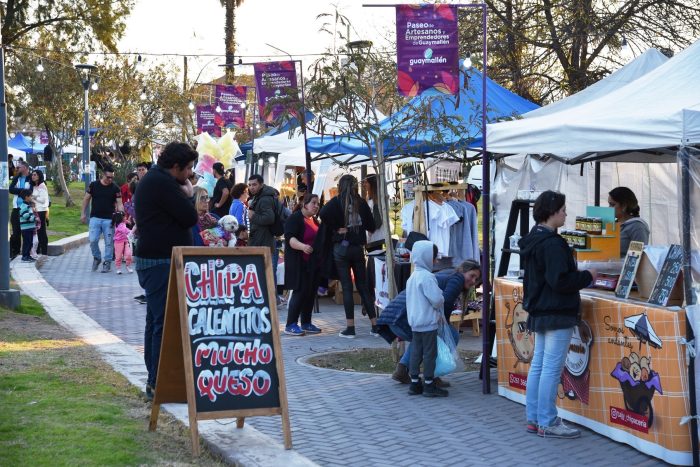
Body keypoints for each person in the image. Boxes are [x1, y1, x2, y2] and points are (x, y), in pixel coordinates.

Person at [519, 190, 596, 439]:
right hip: (556, 311)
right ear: (552, 212)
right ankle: (547, 421)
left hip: (541, 310)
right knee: (549, 368)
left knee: (540, 366)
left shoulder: (535, 238)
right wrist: (587, 276)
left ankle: (535, 418)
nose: (566, 214)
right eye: (563, 210)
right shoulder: (552, 243)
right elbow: (560, 281)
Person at [134, 142, 198, 400]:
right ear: (176, 167)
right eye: (189, 169)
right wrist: (190, 193)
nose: (190, 174)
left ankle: (155, 381)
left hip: (157, 260)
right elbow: (189, 217)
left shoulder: (158, 179)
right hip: (160, 262)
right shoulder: (162, 183)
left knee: (155, 321)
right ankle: (158, 383)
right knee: (162, 323)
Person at [378, 260, 482, 385]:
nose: (473, 281)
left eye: (476, 279)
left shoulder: (447, 274)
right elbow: (446, 302)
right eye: (472, 276)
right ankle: (432, 375)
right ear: (462, 271)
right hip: (403, 318)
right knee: (450, 335)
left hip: (394, 316)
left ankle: (402, 370)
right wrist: (445, 329)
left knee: (423, 337)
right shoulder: (457, 278)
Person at [319, 174, 378, 338]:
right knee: (363, 286)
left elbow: (322, 213)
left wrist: (337, 227)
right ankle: (375, 325)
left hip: (341, 248)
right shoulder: (361, 202)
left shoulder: (336, 202)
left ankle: (350, 328)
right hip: (357, 248)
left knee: (346, 287)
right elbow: (371, 225)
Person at [405, 240, 447, 397]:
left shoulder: (412, 277)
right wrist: (441, 297)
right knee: (430, 353)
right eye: (434, 257)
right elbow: (436, 299)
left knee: (416, 351)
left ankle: (414, 382)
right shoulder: (427, 277)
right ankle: (429, 384)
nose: (436, 261)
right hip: (428, 322)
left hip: (415, 322)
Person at [283, 193, 323, 336]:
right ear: (304, 204)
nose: (316, 206)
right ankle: (290, 324)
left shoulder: (315, 220)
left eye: (318, 203)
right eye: (313, 203)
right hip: (299, 263)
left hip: (312, 264)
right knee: (299, 293)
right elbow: (290, 239)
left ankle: (306, 322)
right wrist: (303, 247)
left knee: (310, 293)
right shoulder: (295, 218)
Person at [81, 165, 123, 273]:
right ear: (103, 175)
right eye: (108, 177)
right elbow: (86, 199)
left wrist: (121, 213)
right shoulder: (93, 185)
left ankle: (107, 262)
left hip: (109, 219)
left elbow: (120, 203)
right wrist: (83, 214)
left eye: (112, 178)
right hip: (95, 217)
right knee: (93, 240)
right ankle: (97, 257)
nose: (110, 180)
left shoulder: (115, 188)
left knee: (109, 242)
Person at [608, 187, 650, 257]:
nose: (609, 208)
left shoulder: (637, 227)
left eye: (612, 204)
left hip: (621, 267)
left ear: (624, 206)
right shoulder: (612, 224)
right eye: (609, 204)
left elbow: (635, 257)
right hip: (602, 266)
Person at [247, 174, 277, 251]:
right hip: (261, 238)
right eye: (249, 185)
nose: (251, 187)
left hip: (262, 241)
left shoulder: (265, 199)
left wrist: (253, 216)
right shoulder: (259, 196)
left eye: (254, 185)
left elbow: (269, 218)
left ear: (261, 185)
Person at [9, 160, 32, 259]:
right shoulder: (16, 178)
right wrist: (22, 191)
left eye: (20, 167)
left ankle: (27, 252)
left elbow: (30, 191)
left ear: (25, 168)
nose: (17, 168)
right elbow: (11, 189)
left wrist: (20, 192)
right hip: (16, 208)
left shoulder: (30, 178)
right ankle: (15, 251)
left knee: (26, 231)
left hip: (26, 208)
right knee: (16, 231)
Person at [30, 169, 50, 256]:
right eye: (32, 175)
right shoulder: (34, 186)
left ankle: (44, 251)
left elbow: (43, 200)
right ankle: (37, 250)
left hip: (41, 211)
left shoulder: (42, 185)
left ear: (39, 176)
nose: (33, 176)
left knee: (41, 231)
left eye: (35, 175)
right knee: (36, 231)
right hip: (35, 210)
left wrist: (33, 197)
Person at [18, 189, 37, 263]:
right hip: (26, 229)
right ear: (26, 197)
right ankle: (24, 256)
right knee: (27, 242)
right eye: (30, 196)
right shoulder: (23, 206)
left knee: (30, 242)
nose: (31, 197)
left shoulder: (28, 206)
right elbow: (26, 216)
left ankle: (28, 255)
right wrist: (35, 218)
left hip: (30, 228)